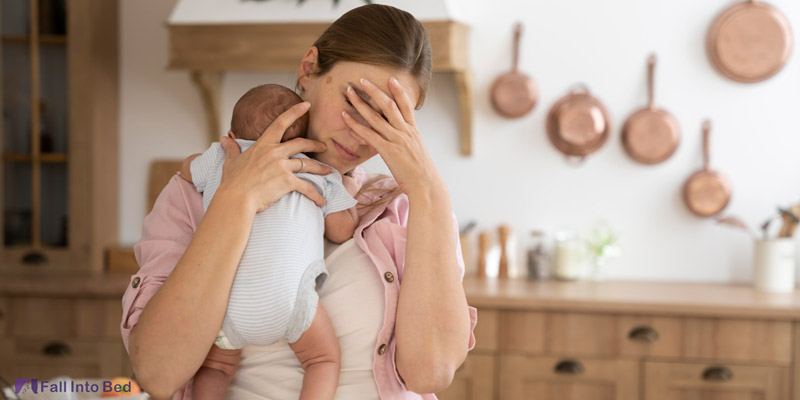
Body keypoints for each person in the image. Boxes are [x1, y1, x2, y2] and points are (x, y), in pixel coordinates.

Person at [120, 4, 478, 399]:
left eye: (386, 119)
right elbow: (158, 373)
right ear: (308, 70)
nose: (361, 134)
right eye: (354, 100)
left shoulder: (407, 210)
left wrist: (430, 190)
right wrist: (236, 200)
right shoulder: (194, 196)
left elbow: (430, 373)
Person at [181, 83, 361, 400]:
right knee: (322, 360)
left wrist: (216, 152)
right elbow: (342, 232)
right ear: (306, 141)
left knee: (216, 369)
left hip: (224, 303)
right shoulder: (319, 171)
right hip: (289, 301)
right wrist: (347, 194)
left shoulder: (223, 157)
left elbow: (185, 171)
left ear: (232, 135)